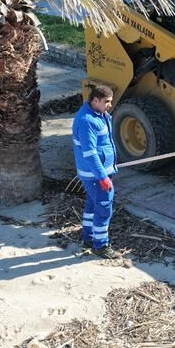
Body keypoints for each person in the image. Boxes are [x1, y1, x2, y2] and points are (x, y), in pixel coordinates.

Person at [72, 84, 118, 255]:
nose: (109, 105)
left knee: (93, 205)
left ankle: (88, 238)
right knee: (104, 209)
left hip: (98, 173)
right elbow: (90, 154)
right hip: (96, 176)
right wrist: (103, 176)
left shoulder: (99, 114)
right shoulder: (87, 121)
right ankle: (101, 246)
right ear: (95, 100)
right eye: (107, 101)